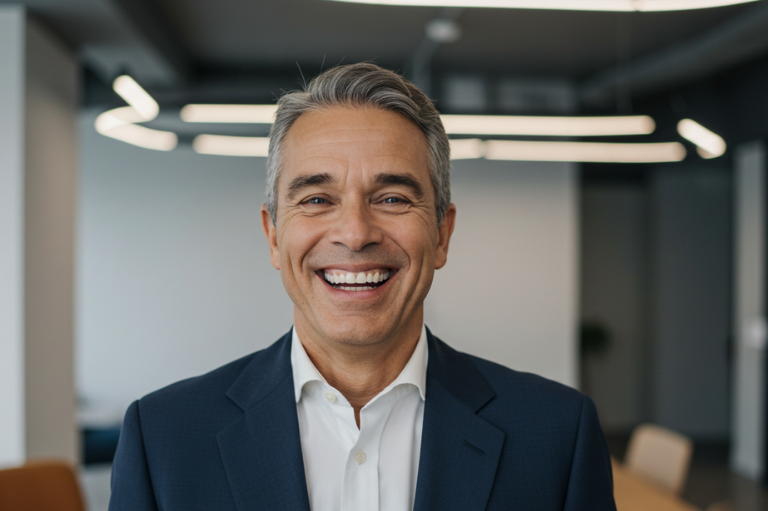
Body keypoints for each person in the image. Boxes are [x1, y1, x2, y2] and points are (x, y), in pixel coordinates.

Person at [109, 62, 616, 511]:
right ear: (273, 234)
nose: (354, 233)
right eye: (315, 200)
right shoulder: (163, 439)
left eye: (393, 198)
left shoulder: (557, 437)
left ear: (441, 234)